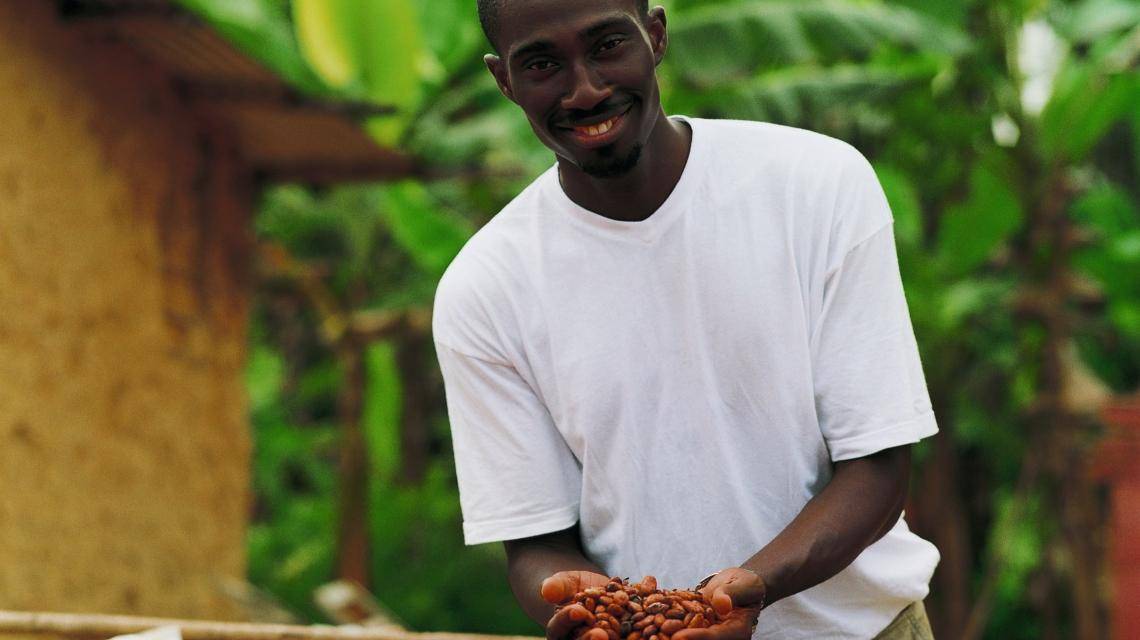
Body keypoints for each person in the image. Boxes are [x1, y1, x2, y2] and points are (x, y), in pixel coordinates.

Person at [431, 0, 940, 638]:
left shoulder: (814, 186)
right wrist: (585, 605)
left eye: (608, 45)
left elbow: (879, 465)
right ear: (504, 80)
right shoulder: (485, 289)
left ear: (656, 35)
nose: (585, 90)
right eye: (541, 64)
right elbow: (535, 544)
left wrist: (746, 590)